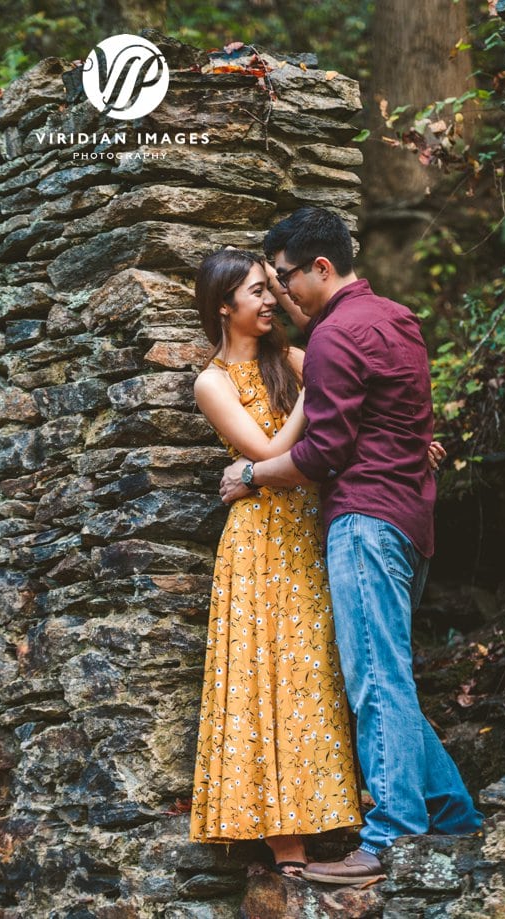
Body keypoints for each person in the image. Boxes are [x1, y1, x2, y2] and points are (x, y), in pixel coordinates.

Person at [218, 207, 483, 885]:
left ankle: (390, 830)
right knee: (386, 673)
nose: (281, 291)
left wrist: (248, 473)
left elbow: (321, 452)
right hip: (412, 520)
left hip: (366, 522)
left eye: (284, 277)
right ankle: (452, 810)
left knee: (374, 679)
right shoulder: (396, 318)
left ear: (321, 268)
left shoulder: (336, 336)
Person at [187, 247, 362, 877]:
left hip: (310, 531)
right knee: (263, 682)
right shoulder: (212, 381)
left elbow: (344, 416)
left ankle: (331, 821)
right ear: (223, 306)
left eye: (272, 289)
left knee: (313, 677)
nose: (270, 301)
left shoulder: (289, 358)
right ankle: (285, 848)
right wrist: (312, 393)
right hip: (258, 544)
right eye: (257, 292)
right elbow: (262, 449)